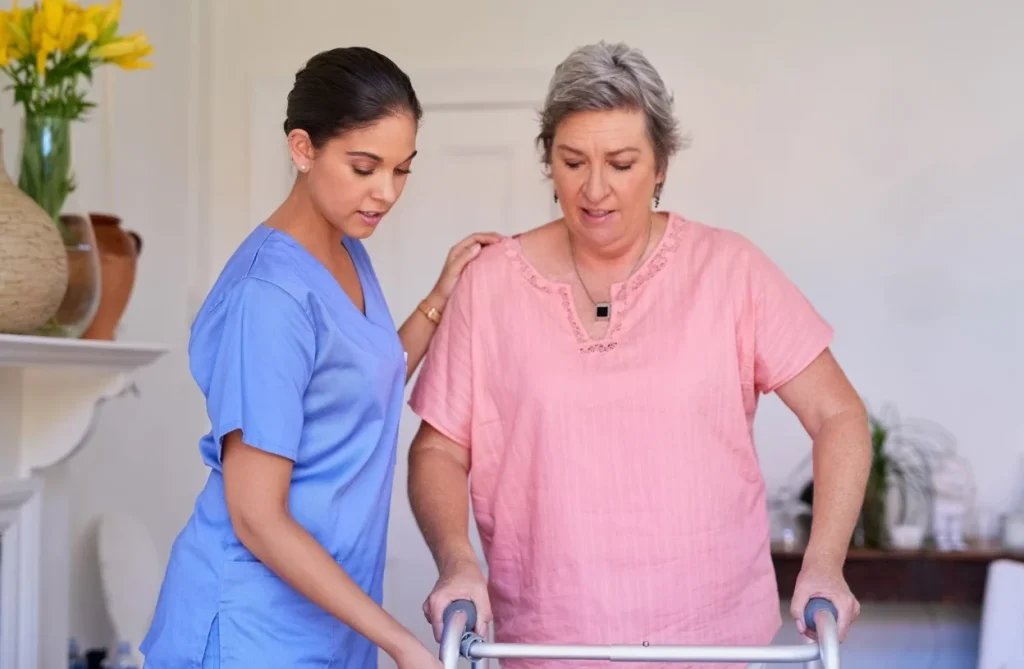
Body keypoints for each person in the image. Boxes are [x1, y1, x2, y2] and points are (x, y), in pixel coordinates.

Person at [406, 41, 870, 669]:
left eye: (621, 163)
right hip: (544, 642)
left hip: (713, 643)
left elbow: (838, 415)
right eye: (573, 162)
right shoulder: (492, 284)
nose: (595, 190)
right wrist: (457, 563)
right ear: (548, 162)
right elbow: (438, 447)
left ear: (660, 166)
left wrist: (825, 564)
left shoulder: (730, 271)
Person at [139, 46, 500, 669]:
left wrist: (438, 299)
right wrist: (402, 644)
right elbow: (257, 519)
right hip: (251, 629)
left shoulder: (345, 245)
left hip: (326, 619)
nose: (385, 193)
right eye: (364, 168)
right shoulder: (268, 297)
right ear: (303, 149)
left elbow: (359, 380)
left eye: (402, 170)